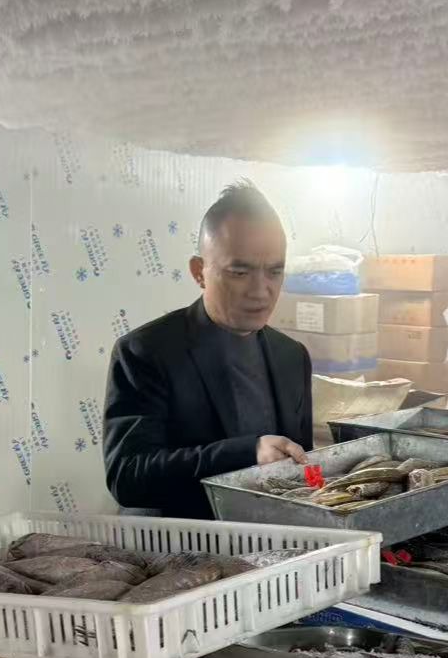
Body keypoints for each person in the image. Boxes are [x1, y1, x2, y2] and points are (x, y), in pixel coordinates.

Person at [103, 181, 311, 519]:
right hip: (177, 544)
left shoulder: (291, 356)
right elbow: (128, 477)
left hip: (269, 540)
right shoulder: (146, 352)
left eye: (275, 271)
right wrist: (246, 453)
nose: (261, 291)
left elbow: (302, 466)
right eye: (240, 272)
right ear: (199, 272)